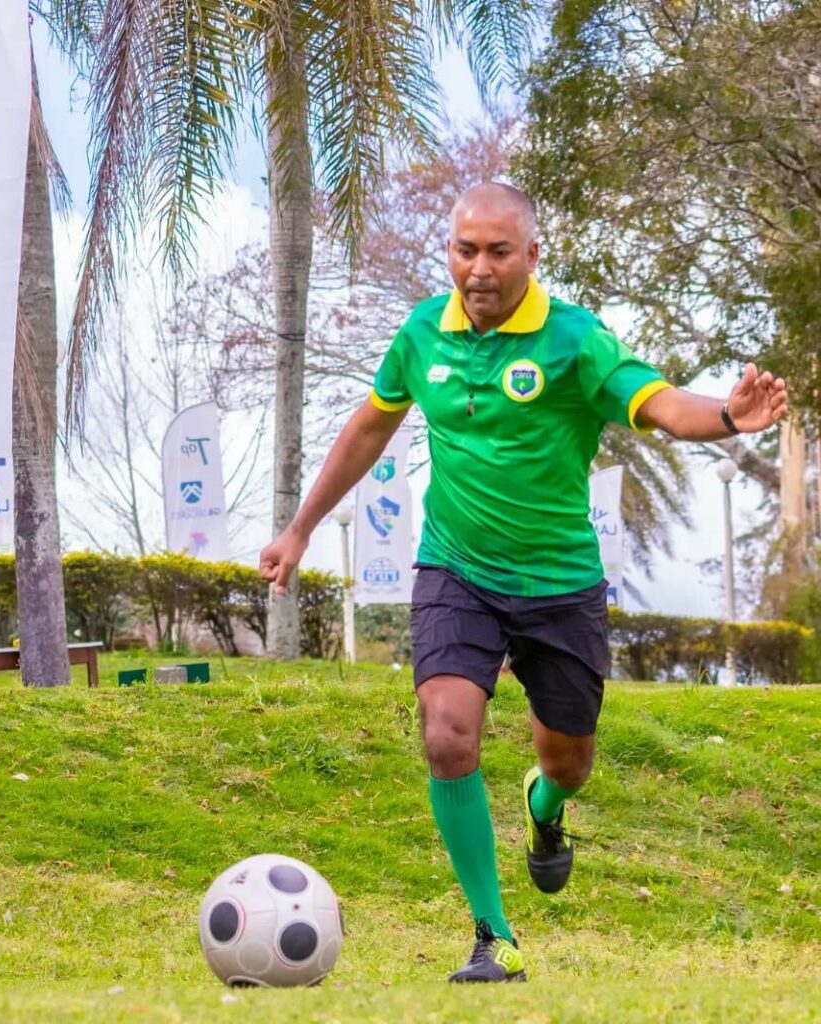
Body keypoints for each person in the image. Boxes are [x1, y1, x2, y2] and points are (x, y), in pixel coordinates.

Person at [259, 182, 788, 983]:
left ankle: (546, 808)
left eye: (498, 251)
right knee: (446, 732)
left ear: (531, 256)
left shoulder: (576, 341)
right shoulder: (420, 335)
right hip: (455, 568)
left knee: (568, 757)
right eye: (464, 249)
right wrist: (299, 528)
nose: (478, 268)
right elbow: (370, 424)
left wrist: (726, 415)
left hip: (559, 584)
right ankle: (492, 935)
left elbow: (657, 404)